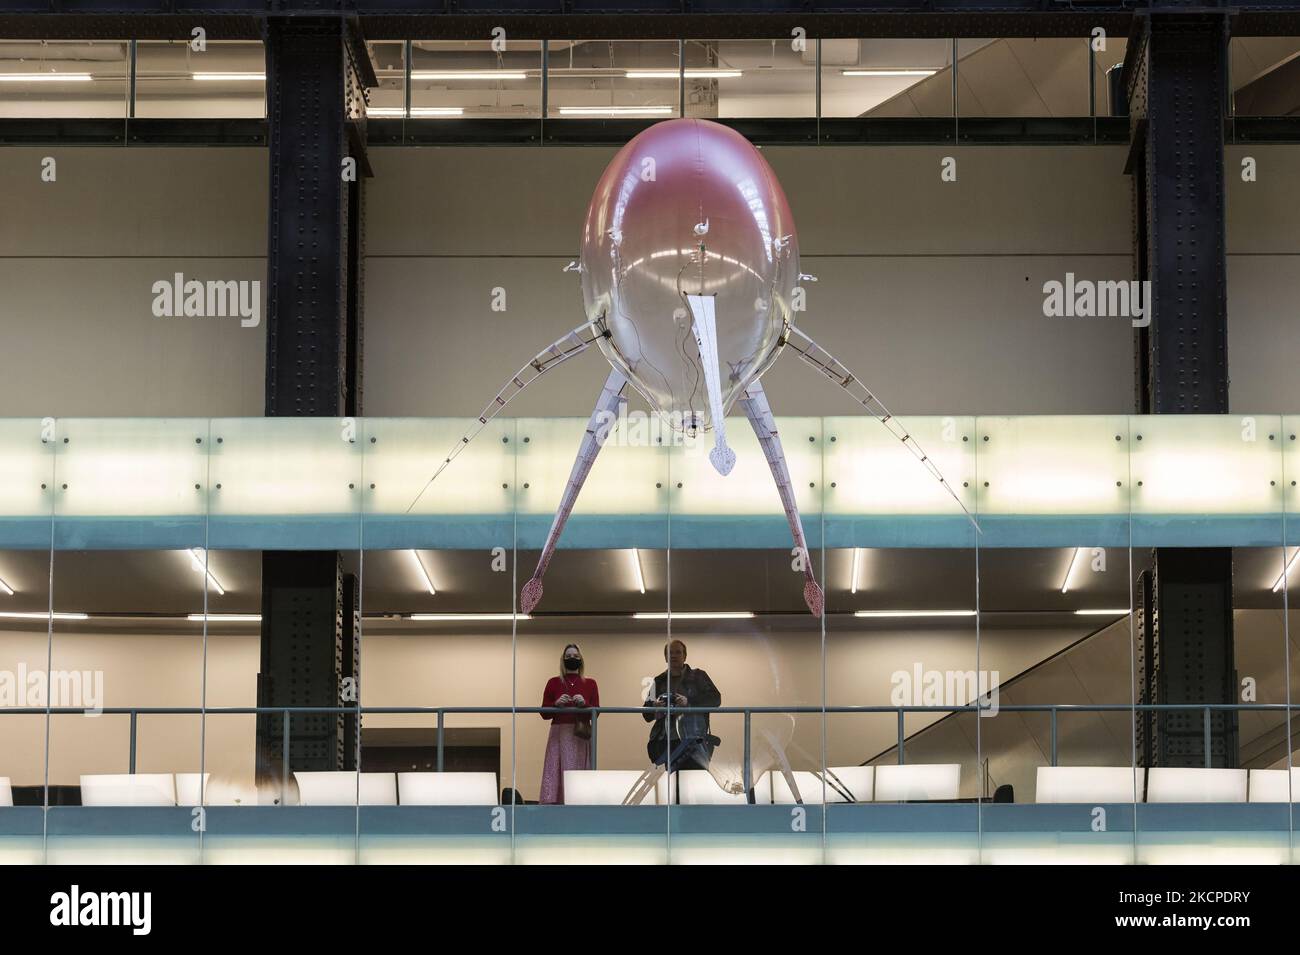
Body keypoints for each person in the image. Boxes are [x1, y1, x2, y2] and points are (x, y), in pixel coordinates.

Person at [642, 639, 722, 775]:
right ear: (665, 658)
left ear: (685, 656)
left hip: (693, 739)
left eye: (678, 652)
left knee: (695, 779)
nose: (673, 656)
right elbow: (646, 714)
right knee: (671, 783)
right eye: (670, 653)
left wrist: (688, 702)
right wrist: (655, 706)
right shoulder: (659, 680)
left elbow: (715, 699)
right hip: (667, 740)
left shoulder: (698, 676)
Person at [538, 643, 599, 805]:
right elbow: (544, 713)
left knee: (577, 769)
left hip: (580, 733)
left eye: (575, 656)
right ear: (563, 660)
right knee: (555, 767)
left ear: (581, 660)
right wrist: (556, 704)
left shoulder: (591, 683)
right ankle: (553, 803)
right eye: (568, 656)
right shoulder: (553, 682)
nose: (572, 659)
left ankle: (579, 802)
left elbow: (596, 712)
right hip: (558, 733)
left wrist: (584, 704)